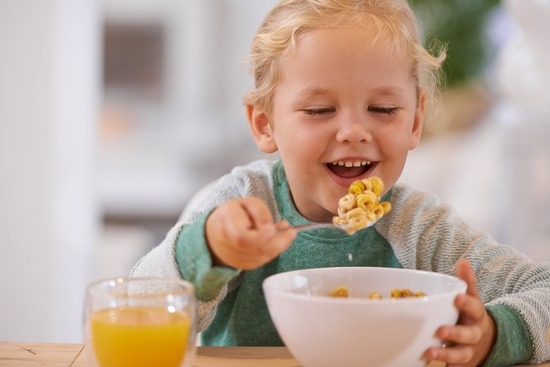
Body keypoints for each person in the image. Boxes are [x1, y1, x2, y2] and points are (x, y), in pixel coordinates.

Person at [131, 0, 550, 366]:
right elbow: (136, 309)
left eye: (383, 108)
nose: (353, 131)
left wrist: (494, 334)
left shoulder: (421, 230)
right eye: (318, 110)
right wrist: (208, 250)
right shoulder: (238, 207)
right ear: (264, 123)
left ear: (416, 120)